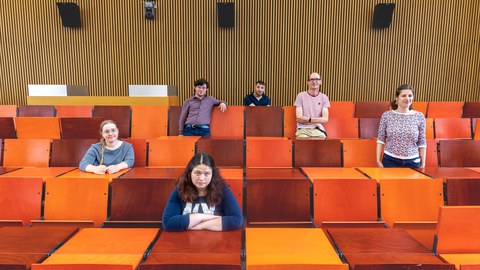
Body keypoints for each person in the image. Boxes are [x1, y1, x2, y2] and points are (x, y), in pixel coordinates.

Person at [162, 152, 243, 231]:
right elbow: (168, 223)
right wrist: (201, 217)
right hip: (185, 241)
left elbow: (237, 220)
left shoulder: (222, 188)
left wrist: (202, 226)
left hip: (216, 241)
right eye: (197, 173)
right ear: (190, 173)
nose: (201, 178)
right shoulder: (181, 188)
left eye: (207, 173)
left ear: (213, 174)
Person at [376, 84, 426, 168]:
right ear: (397, 98)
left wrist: (423, 162)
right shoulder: (387, 115)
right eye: (404, 95)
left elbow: (422, 142)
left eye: (410, 96)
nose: (407, 98)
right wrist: (378, 160)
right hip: (390, 160)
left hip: (413, 161)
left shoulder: (419, 116)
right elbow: (381, 139)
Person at [294, 72, 330, 138]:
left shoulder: (324, 97)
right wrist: (316, 120)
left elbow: (325, 119)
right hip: (302, 129)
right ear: (308, 82)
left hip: (318, 129)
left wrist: (308, 120)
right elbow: (298, 118)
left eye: (317, 79)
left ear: (320, 82)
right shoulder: (301, 96)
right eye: (312, 79)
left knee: (321, 143)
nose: (314, 81)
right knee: (303, 141)